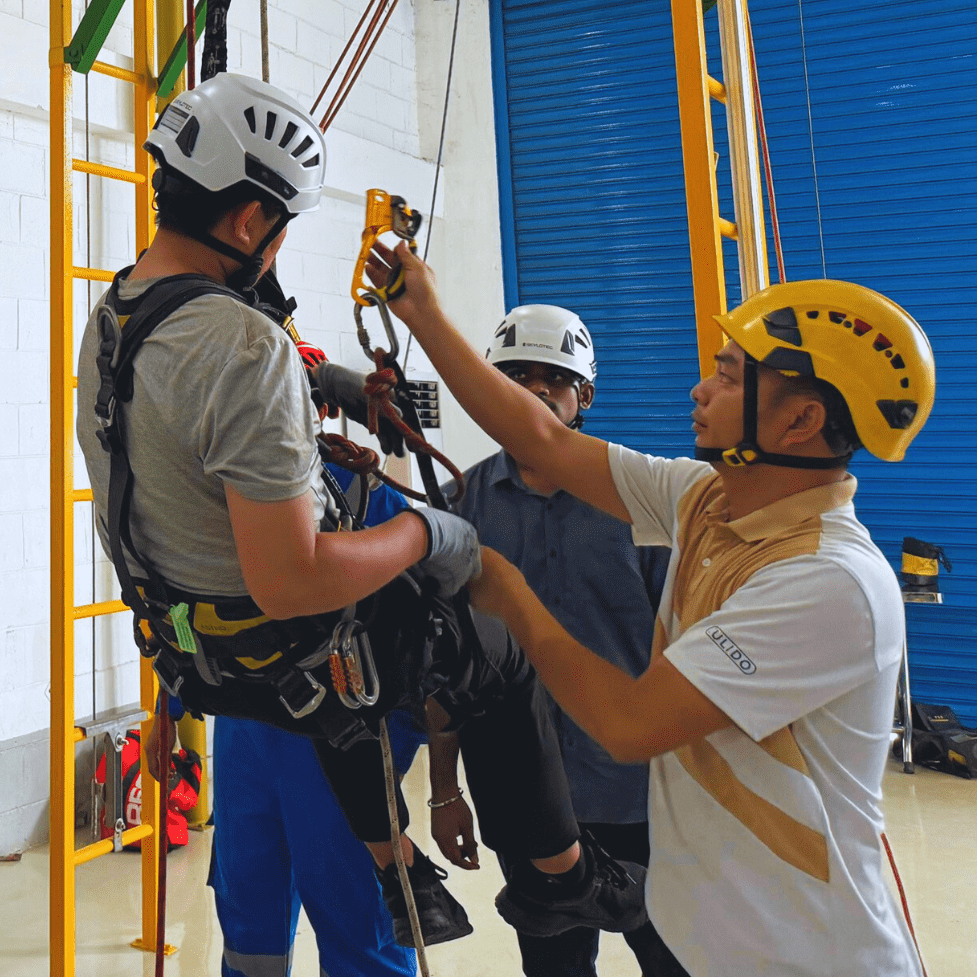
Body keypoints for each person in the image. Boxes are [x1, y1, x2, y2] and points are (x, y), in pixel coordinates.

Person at [77, 70, 645, 945]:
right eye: (283, 228)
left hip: (193, 644)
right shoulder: (244, 343)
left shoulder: (115, 315)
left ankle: (397, 866)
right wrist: (425, 533)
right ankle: (561, 880)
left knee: (344, 692)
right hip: (279, 636)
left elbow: (199, 389)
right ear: (247, 222)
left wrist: (330, 384)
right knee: (495, 649)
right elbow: (295, 579)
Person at [375, 241, 933, 977]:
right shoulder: (704, 502)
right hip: (714, 931)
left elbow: (630, 725)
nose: (700, 391)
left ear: (799, 422)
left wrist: (506, 591)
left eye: (729, 378)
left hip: (803, 954)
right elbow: (540, 440)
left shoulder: (827, 582)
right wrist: (422, 314)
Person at [428, 306, 688, 977]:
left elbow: (683, 650)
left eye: (555, 378)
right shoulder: (462, 508)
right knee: (554, 969)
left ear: (585, 396)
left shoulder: (641, 503)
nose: (535, 392)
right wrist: (444, 790)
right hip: (523, 795)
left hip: (642, 798)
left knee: (678, 962)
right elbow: (450, 666)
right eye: (515, 376)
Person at [210, 339, 449, 975]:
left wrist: (429, 766)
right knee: (248, 922)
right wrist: (170, 708)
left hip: (337, 742)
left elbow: (418, 634)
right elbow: (193, 613)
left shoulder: (371, 498)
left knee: (358, 924)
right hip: (243, 735)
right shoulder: (217, 496)